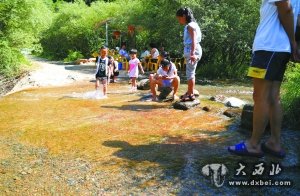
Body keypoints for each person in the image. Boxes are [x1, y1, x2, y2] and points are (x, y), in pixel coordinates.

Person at [228, 0, 300, 158]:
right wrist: (293, 44)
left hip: (268, 47)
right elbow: (296, 17)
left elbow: (285, 8)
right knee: (274, 96)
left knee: (260, 97)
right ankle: (274, 143)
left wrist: (294, 43)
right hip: (280, 49)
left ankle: (253, 145)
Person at [176, 7, 202, 102]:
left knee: (190, 73)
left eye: (179, 18)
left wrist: (192, 53)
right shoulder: (193, 24)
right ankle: (190, 91)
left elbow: (194, 39)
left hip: (192, 50)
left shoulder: (190, 26)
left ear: (184, 16)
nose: (179, 20)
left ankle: (190, 94)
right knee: (190, 72)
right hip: (193, 49)